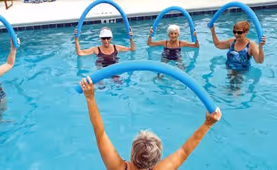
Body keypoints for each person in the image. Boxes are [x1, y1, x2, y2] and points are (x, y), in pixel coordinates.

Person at [79, 76, 222, 170]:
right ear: (157, 159)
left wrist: (90, 98)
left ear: (131, 152)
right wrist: (207, 124)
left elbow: (100, 133)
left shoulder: (117, 167)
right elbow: (183, 151)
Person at [210, 21, 266, 91]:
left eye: (239, 32)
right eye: (234, 32)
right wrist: (213, 31)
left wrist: (260, 47)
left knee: (236, 90)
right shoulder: (232, 42)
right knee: (230, 88)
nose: (236, 34)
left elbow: (259, 61)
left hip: (242, 71)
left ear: (246, 32)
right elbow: (218, 45)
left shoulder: (251, 45)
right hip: (230, 69)